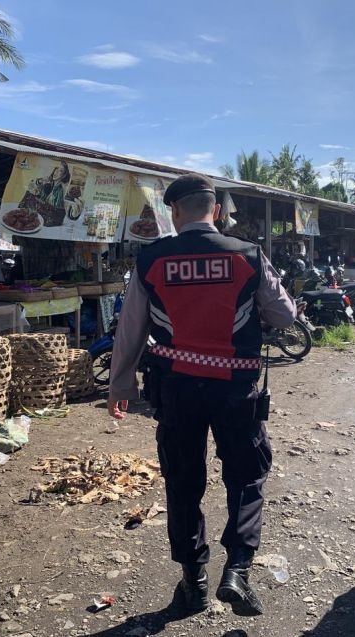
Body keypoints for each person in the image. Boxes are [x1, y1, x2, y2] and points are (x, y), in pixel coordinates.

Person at [108, 174, 296, 616]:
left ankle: (193, 581)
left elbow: (131, 327)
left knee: (183, 480)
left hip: (176, 390)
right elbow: (284, 317)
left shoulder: (151, 259)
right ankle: (238, 571)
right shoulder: (248, 254)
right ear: (215, 211)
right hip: (236, 389)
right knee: (247, 476)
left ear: (174, 213)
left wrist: (120, 384)